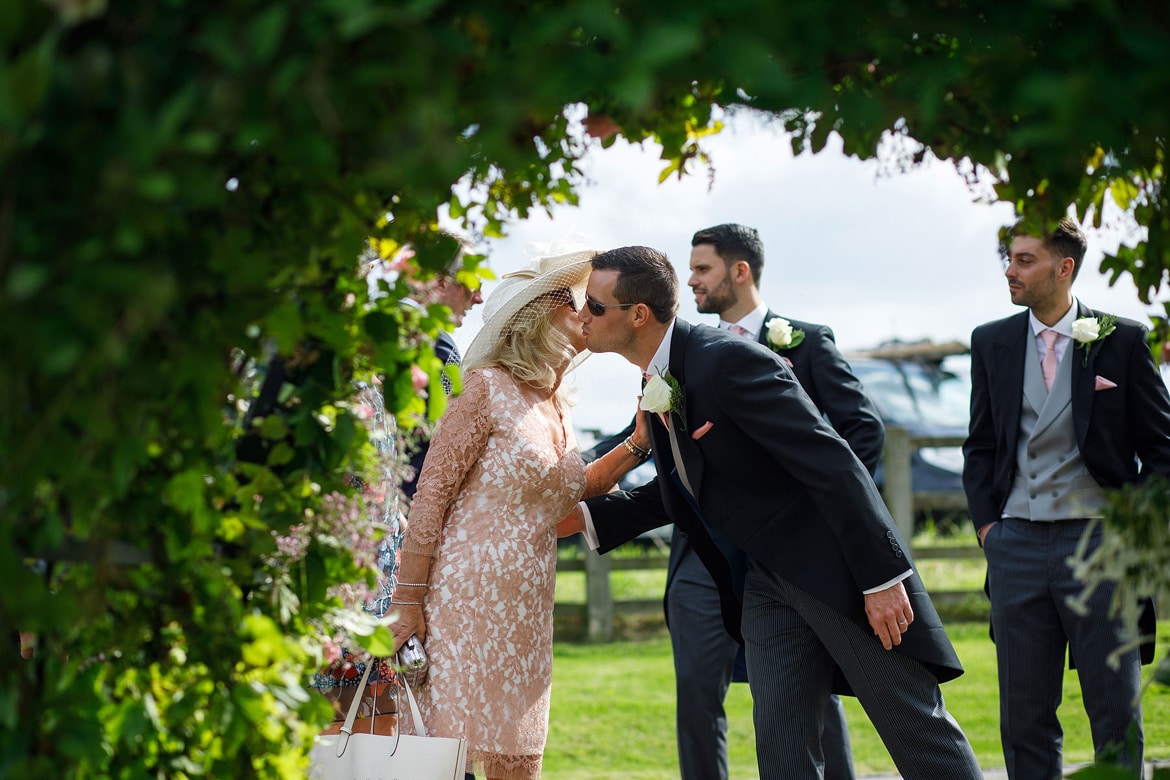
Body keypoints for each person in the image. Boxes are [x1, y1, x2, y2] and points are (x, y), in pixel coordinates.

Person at [563, 245, 982, 780]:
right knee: (782, 756)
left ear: (638, 314)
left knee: (917, 735)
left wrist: (880, 579)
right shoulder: (657, 379)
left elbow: (832, 462)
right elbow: (681, 490)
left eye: (594, 307)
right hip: (764, 582)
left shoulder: (726, 359)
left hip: (837, 575)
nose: (583, 317)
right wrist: (583, 519)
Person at [388, 250, 652, 780]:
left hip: (528, 611)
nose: (587, 313)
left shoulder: (557, 405)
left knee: (520, 764)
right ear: (538, 314)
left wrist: (641, 442)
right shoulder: (482, 386)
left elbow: (581, 486)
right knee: (447, 763)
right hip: (463, 605)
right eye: (576, 303)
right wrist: (408, 601)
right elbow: (431, 497)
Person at [962, 216, 1169, 778]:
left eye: (1024, 260)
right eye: (1008, 258)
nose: (1010, 270)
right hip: (1016, 545)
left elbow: (1162, 449)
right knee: (1024, 719)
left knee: (1114, 715)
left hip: (1101, 547)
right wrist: (989, 530)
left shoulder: (1121, 339)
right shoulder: (991, 341)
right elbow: (980, 445)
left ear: (1064, 267)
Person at [675, 222, 883, 780]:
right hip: (705, 549)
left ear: (739, 271)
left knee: (811, 689)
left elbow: (862, 434)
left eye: (702, 269)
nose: (690, 281)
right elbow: (646, 436)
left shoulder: (807, 341)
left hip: (791, 552)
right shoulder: (688, 353)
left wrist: (819, 517)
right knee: (697, 692)